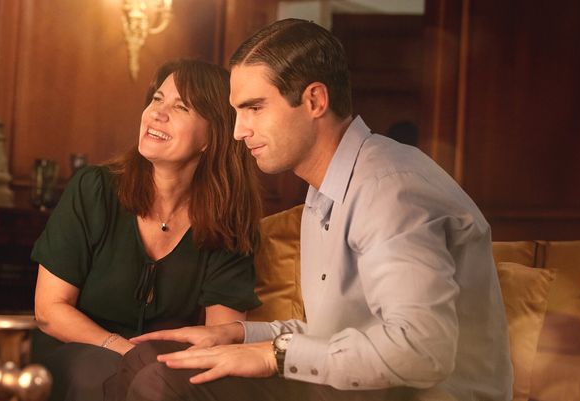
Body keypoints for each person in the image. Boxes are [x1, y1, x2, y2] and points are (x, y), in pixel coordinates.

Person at [125, 19, 513, 401]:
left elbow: (422, 349)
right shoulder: (326, 189)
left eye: (254, 108)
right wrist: (240, 335)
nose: (239, 130)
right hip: (365, 390)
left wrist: (273, 355)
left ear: (314, 100)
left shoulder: (389, 189)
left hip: (419, 394)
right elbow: (339, 335)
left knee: (162, 383)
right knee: (150, 358)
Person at [30, 59, 263, 401]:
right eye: (157, 99)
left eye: (180, 107)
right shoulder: (94, 189)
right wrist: (130, 353)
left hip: (160, 373)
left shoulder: (229, 222)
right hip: (75, 354)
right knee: (101, 376)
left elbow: (219, 336)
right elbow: (50, 310)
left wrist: (161, 368)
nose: (157, 113)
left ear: (212, 136)